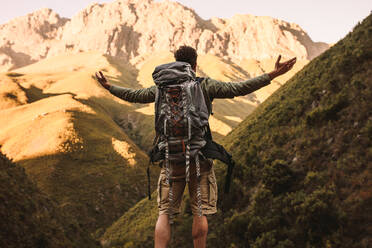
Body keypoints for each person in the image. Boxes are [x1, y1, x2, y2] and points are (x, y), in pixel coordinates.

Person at [95, 46, 296, 248]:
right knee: (199, 211)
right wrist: (274, 74)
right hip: (199, 158)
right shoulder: (203, 85)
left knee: (164, 214)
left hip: (170, 158)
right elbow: (239, 88)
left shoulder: (161, 88)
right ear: (195, 64)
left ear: (176, 61)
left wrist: (109, 87)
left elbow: (134, 95)